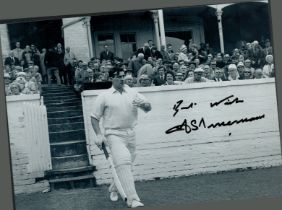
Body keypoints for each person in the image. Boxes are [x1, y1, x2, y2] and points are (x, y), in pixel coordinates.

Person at [91, 67, 151, 208]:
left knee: (126, 165)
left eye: (124, 76)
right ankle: (133, 199)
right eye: (119, 76)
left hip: (131, 133)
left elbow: (148, 107)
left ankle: (114, 187)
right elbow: (94, 118)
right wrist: (99, 135)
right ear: (112, 78)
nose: (122, 79)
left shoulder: (132, 92)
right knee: (123, 162)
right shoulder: (104, 96)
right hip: (113, 134)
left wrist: (145, 105)